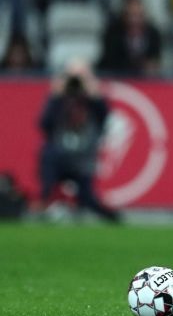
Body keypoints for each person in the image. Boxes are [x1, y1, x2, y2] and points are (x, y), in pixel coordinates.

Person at [39, 59, 120, 223]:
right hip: (60, 156)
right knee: (47, 155)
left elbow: (106, 119)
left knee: (87, 199)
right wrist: (56, 95)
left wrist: (93, 92)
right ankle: (48, 205)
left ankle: (110, 216)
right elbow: (44, 124)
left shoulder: (93, 103)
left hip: (83, 160)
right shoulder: (60, 101)